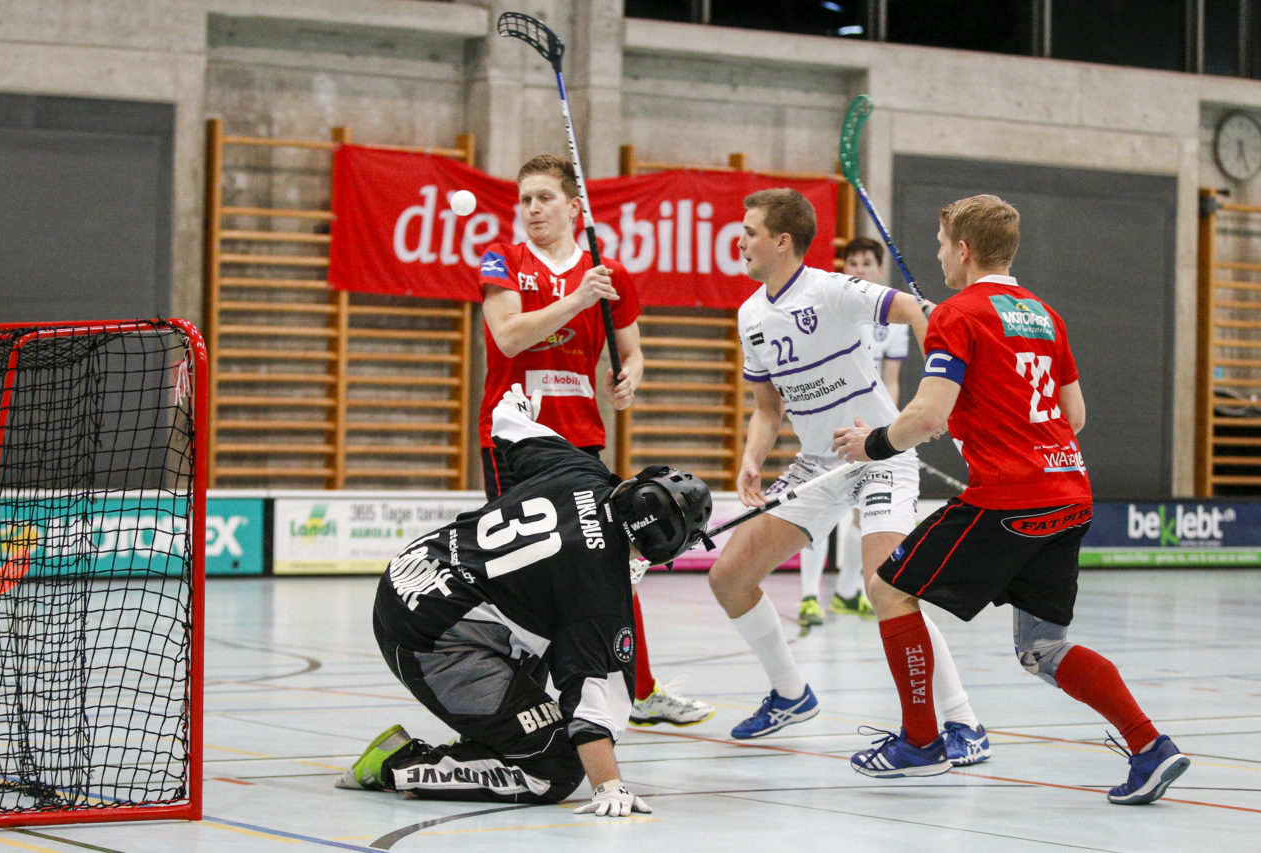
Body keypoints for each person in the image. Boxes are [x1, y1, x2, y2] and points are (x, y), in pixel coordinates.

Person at [832, 194, 1190, 803]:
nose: (940, 254)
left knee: (889, 588)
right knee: (1043, 648)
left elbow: (926, 418)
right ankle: (1150, 746)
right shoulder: (1046, 315)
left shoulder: (957, 314)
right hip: (1069, 493)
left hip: (1008, 499)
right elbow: (1072, 415)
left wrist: (871, 443)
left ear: (964, 251)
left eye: (944, 245)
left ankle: (920, 744)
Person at [708, 189, 990, 767]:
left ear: (781, 242)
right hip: (817, 468)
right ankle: (791, 694)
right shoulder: (750, 314)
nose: (740, 240)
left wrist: (930, 392)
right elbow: (767, 408)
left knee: (887, 587)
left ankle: (963, 720)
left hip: (878, 455)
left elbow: (913, 310)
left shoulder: (832, 289)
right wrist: (751, 460)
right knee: (730, 577)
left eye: (749, 230)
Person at [336, 385, 713, 815]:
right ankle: (394, 764)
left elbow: (508, 423)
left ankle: (485, 738)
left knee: (539, 630)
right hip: (431, 637)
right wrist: (609, 786)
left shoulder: (579, 470)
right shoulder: (598, 595)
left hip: (410, 575)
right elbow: (592, 707)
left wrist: (520, 404)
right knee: (553, 768)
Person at [477, 154, 713, 729]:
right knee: (522, 572)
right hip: (515, 440)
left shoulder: (608, 274)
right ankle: (516, 703)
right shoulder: (502, 260)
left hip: (581, 440)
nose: (532, 209)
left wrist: (630, 376)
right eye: (525, 199)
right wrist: (580, 299)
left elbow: (630, 351)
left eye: (544, 198)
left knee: (612, 565)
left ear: (573, 207)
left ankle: (642, 691)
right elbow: (507, 338)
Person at [797, 236, 908, 627]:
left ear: (879, 269)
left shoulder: (894, 319)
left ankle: (848, 593)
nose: (858, 269)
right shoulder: (833, 307)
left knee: (864, 511)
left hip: (872, 425)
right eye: (853, 263)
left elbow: (891, 379)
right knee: (821, 508)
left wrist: (889, 424)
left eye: (866, 263)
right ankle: (810, 597)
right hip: (834, 419)